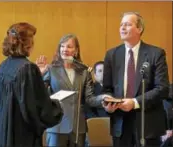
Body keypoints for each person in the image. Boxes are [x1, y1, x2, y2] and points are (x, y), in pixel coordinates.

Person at [0, 22, 64, 147]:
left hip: (2, 135)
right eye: (32, 40)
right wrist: (56, 107)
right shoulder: (27, 68)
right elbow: (35, 108)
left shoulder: (4, 66)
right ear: (26, 43)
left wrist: (37, 76)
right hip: (21, 137)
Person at [102, 12, 169, 147]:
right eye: (121, 25)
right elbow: (107, 88)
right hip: (120, 123)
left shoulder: (156, 54)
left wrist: (135, 102)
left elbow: (162, 88)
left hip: (148, 123)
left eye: (127, 24)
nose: (122, 28)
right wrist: (108, 104)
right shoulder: (112, 55)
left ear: (139, 29)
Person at [36, 34, 104, 147]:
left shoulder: (84, 71)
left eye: (69, 46)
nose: (65, 49)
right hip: (57, 126)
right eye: (62, 46)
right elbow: (39, 95)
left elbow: (90, 99)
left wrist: (103, 98)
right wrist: (40, 75)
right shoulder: (52, 69)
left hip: (78, 128)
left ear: (76, 50)